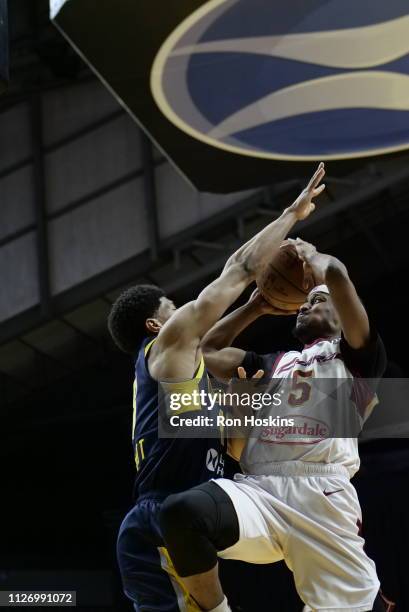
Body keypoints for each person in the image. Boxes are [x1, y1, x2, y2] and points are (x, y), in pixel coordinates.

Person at [108, 164, 327, 611]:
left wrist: (254, 309)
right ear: (155, 323)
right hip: (159, 521)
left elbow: (223, 444)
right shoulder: (166, 345)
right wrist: (292, 213)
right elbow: (240, 267)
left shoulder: (185, 377)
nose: (184, 309)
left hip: (189, 509)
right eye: (173, 306)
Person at [159, 238, 394, 612]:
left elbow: (335, 273)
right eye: (302, 305)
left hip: (322, 497)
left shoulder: (358, 359)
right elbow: (207, 351)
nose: (304, 308)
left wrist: (309, 256)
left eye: (316, 302)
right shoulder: (274, 364)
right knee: (181, 513)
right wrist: (256, 306)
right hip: (261, 490)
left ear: (340, 315)